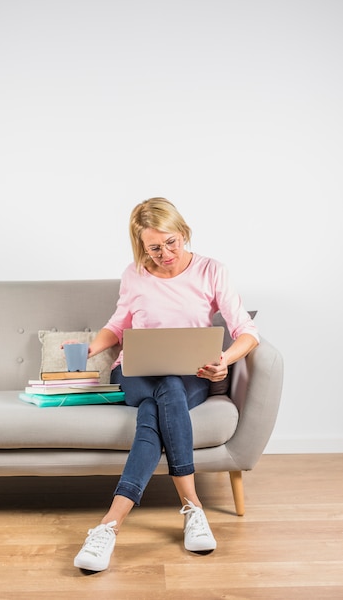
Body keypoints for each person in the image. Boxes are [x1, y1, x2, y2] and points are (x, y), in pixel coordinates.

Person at [73, 197, 259, 572]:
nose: (165, 253)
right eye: (154, 247)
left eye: (171, 242)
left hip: (191, 375)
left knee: (156, 410)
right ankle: (193, 509)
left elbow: (247, 332)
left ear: (184, 233)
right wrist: (89, 348)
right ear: (141, 246)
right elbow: (119, 325)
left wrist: (223, 360)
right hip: (136, 372)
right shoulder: (134, 274)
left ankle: (108, 526)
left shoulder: (211, 271)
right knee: (165, 391)